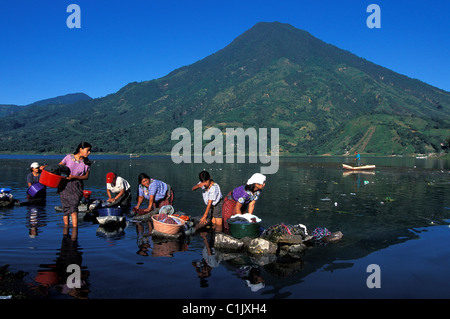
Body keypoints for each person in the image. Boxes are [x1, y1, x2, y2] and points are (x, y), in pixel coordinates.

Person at [58, 142, 92, 227]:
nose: (89, 153)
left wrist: (74, 177)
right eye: (87, 150)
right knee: (66, 209)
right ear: (81, 149)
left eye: (90, 151)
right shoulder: (68, 158)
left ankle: (74, 231)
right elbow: (58, 167)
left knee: (73, 209)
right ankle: (66, 229)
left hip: (77, 186)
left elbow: (86, 177)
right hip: (65, 186)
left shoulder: (86, 163)